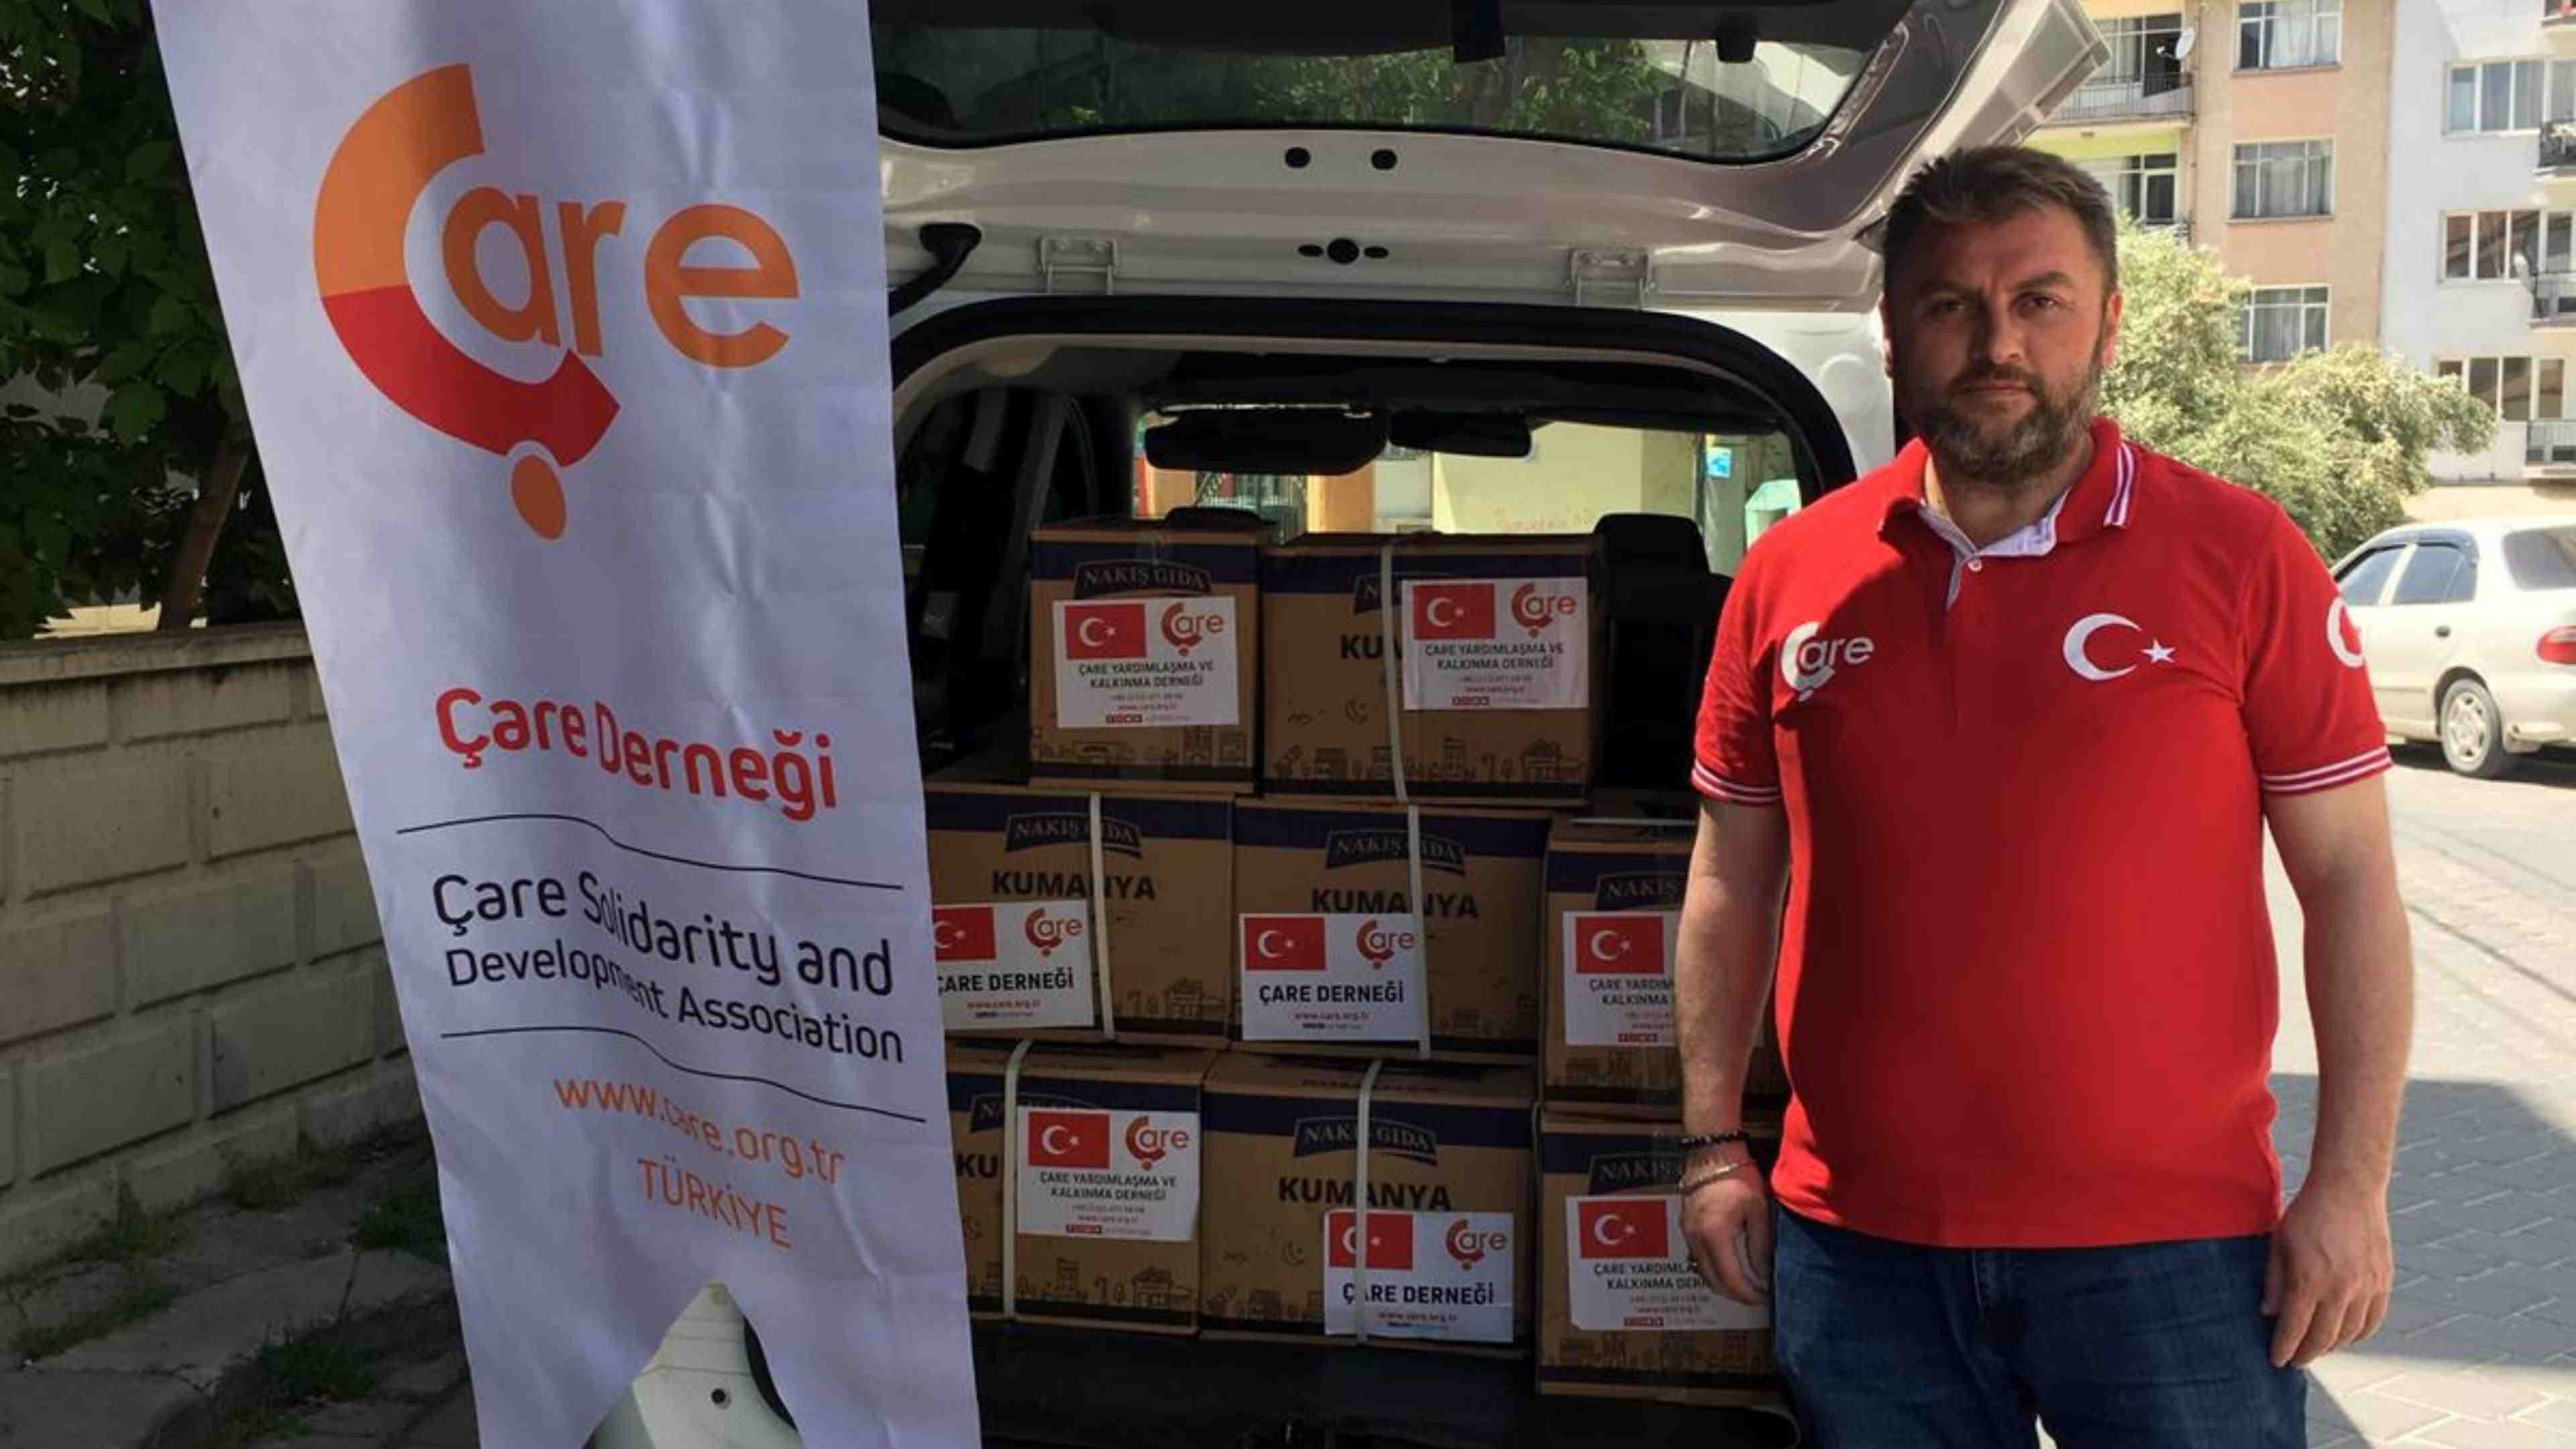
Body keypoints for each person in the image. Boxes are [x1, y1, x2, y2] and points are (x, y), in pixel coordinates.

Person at [1672, 145, 2412, 1447]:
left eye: (2039, 301)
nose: (1997, 342)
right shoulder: (1790, 577)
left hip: (2173, 1256)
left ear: (2109, 324)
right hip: (1862, 1252)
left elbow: (2351, 884)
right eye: (1950, 303)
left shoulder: (2245, 558)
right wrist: (1711, 1144)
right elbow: (1731, 877)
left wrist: (2350, 1189)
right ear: (1892, 331)